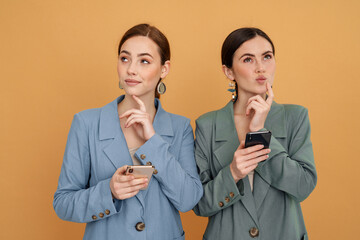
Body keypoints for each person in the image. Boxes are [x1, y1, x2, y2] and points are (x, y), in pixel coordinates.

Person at [53, 23, 203, 240]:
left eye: (144, 61)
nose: (131, 69)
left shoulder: (180, 127)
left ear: (164, 69)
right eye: (125, 58)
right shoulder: (86, 123)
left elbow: (189, 199)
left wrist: (152, 140)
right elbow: (63, 203)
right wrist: (109, 192)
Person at [193, 27, 317, 240]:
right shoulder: (207, 125)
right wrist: (232, 173)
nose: (261, 68)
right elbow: (199, 204)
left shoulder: (295, 117)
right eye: (248, 59)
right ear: (229, 71)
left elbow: (302, 187)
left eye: (267, 57)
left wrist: (259, 131)